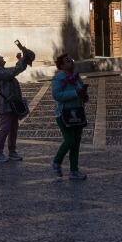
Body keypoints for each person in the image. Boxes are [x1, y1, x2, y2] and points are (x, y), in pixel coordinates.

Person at [0, 39, 37, 163]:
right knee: (5, 128)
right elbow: (13, 72)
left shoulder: (2, 70)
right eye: (0, 57)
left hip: (14, 104)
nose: (2, 57)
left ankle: (12, 151)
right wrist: (20, 61)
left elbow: (19, 67)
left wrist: (24, 54)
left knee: (14, 128)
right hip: (5, 105)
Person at [51, 52, 87, 180]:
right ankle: (56, 162)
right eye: (67, 60)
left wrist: (83, 94)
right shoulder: (59, 78)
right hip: (63, 113)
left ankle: (74, 170)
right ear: (61, 65)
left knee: (76, 143)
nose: (71, 61)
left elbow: (81, 91)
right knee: (69, 140)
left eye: (71, 59)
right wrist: (75, 93)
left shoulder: (76, 77)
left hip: (77, 112)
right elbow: (56, 95)